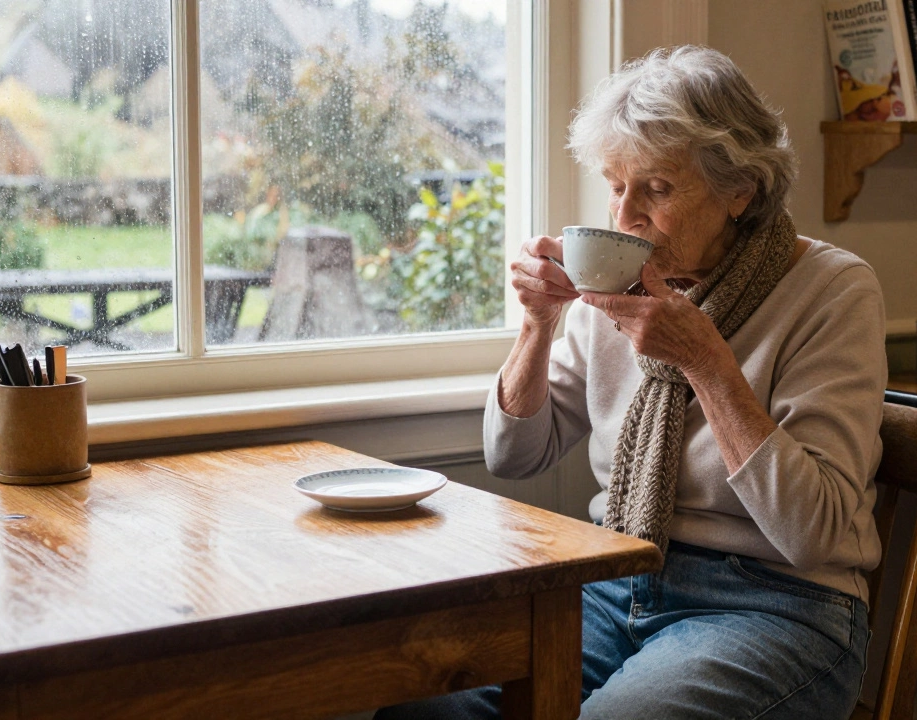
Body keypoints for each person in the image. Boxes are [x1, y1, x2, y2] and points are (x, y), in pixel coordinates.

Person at [377, 45, 887, 720]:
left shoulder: (832, 289)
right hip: (614, 580)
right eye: (616, 185)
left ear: (742, 190)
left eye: (658, 189)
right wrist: (537, 325)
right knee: (426, 704)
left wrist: (707, 364)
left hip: (777, 606)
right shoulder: (616, 284)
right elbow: (515, 456)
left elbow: (813, 534)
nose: (624, 219)